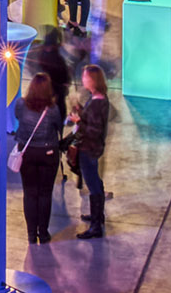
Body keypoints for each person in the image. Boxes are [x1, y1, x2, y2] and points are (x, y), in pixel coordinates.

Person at [16, 64, 67, 243]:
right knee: (45, 193)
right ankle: (43, 233)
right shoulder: (52, 109)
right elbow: (59, 127)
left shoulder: (21, 104)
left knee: (30, 193)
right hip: (48, 152)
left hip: (27, 153)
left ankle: (31, 234)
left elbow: (18, 117)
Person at [65, 57, 112, 237]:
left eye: (85, 77)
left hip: (88, 149)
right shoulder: (99, 98)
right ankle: (97, 216)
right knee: (96, 182)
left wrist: (79, 120)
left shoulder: (97, 102)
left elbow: (93, 129)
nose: (83, 80)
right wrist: (82, 112)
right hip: (94, 148)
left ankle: (96, 226)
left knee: (93, 185)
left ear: (92, 80)